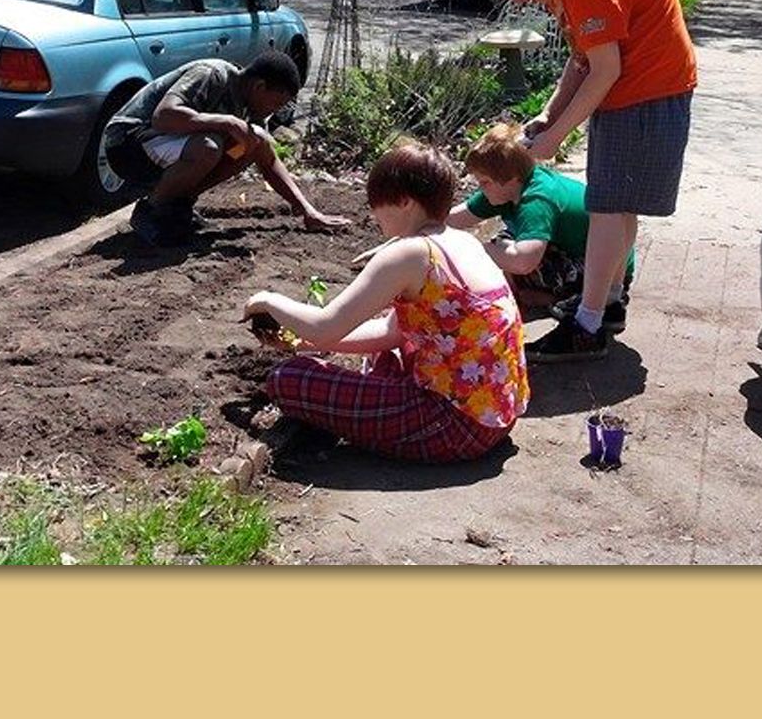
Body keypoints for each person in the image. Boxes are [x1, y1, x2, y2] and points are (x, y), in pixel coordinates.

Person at [475, 0, 697, 361]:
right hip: (649, 90)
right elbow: (583, 58)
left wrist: (557, 136)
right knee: (620, 205)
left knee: (607, 207)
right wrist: (550, 113)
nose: (519, 2)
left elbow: (605, 70)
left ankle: (588, 326)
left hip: (643, 93)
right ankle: (608, 302)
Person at [246, 141, 528, 463]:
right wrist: (301, 342)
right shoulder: (463, 240)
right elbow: (391, 333)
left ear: (405, 202)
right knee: (387, 353)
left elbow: (324, 327)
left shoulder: (408, 253)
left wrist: (268, 301)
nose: (373, 214)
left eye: (376, 204)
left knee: (286, 378)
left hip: (452, 427)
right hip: (496, 415)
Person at [102, 53, 349, 244]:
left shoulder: (248, 106)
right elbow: (163, 117)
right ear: (259, 87)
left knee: (252, 142)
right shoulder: (212, 74)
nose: (273, 111)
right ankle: (151, 212)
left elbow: (268, 159)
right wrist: (227, 122)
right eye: (275, 103)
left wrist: (307, 211)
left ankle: (178, 206)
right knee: (208, 146)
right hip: (126, 143)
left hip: (161, 148)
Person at [448, 121, 635, 333]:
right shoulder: (506, 188)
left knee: (502, 252)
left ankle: (566, 298)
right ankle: (538, 296)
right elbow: (450, 219)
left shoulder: (536, 200)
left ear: (510, 179)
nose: (481, 188)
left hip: (602, 270)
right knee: (504, 245)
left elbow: (523, 262)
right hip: (569, 251)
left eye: (484, 182)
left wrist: (476, 248)